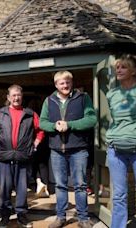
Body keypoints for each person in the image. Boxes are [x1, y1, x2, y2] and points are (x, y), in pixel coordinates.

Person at [39, 71, 97, 228]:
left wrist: (70, 125)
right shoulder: (48, 100)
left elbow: (91, 119)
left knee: (80, 185)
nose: (65, 85)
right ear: (56, 85)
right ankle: (60, 217)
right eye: (61, 83)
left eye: (67, 82)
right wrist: (54, 126)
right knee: (60, 185)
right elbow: (42, 122)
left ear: (71, 83)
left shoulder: (83, 98)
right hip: (57, 150)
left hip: (79, 149)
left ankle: (83, 218)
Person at [0, 84, 44, 228]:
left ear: (22, 96)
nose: (16, 98)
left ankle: (21, 216)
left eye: (18, 95)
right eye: (13, 95)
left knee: (21, 190)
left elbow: (40, 130)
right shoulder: (1, 113)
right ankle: (5, 217)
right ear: (8, 97)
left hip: (22, 157)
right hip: (4, 158)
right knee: (5, 190)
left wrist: (36, 143)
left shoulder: (30, 114)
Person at [105, 54, 136, 228]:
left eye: (123, 67)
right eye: (117, 67)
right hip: (115, 148)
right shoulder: (112, 94)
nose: (119, 70)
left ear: (133, 71)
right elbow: (114, 120)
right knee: (119, 194)